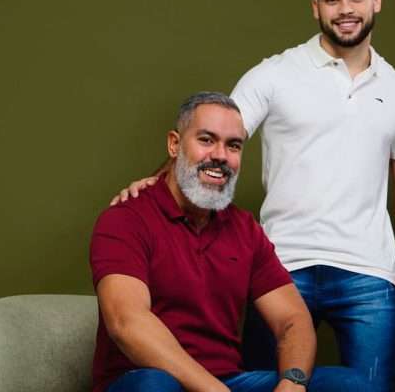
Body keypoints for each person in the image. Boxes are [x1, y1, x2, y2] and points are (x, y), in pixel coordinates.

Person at [111, 0, 395, 390]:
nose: (345, 9)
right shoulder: (274, 74)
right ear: (315, 7)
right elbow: (213, 140)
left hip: (368, 271)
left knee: (366, 388)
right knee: (263, 381)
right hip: (282, 264)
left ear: (376, 0)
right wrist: (155, 184)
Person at [91, 92, 366, 392]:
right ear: (174, 144)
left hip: (229, 381)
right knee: (155, 386)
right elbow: (127, 322)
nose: (221, 155)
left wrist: (293, 382)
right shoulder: (126, 219)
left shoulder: (244, 229)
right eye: (206, 140)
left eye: (233, 145)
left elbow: (292, 319)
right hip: (147, 380)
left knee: (347, 384)